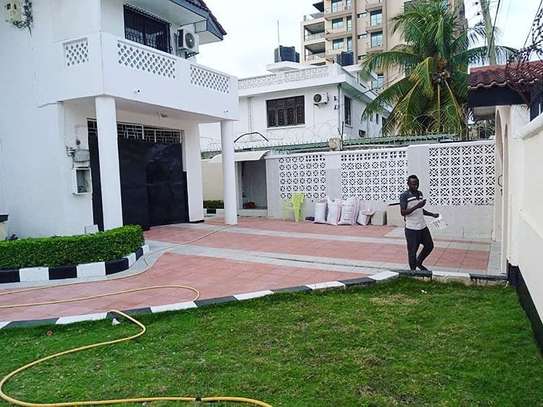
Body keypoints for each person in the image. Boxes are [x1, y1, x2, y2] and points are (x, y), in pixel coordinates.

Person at [399, 175, 439, 271]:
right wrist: (417, 206)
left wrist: (432, 214)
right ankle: (413, 272)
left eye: (417, 184)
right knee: (412, 252)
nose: (415, 186)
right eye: (413, 184)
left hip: (422, 226)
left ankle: (419, 262)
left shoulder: (420, 194)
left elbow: (420, 210)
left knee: (429, 246)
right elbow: (403, 212)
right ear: (408, 184)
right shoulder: (404, 195)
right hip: (412, 229)